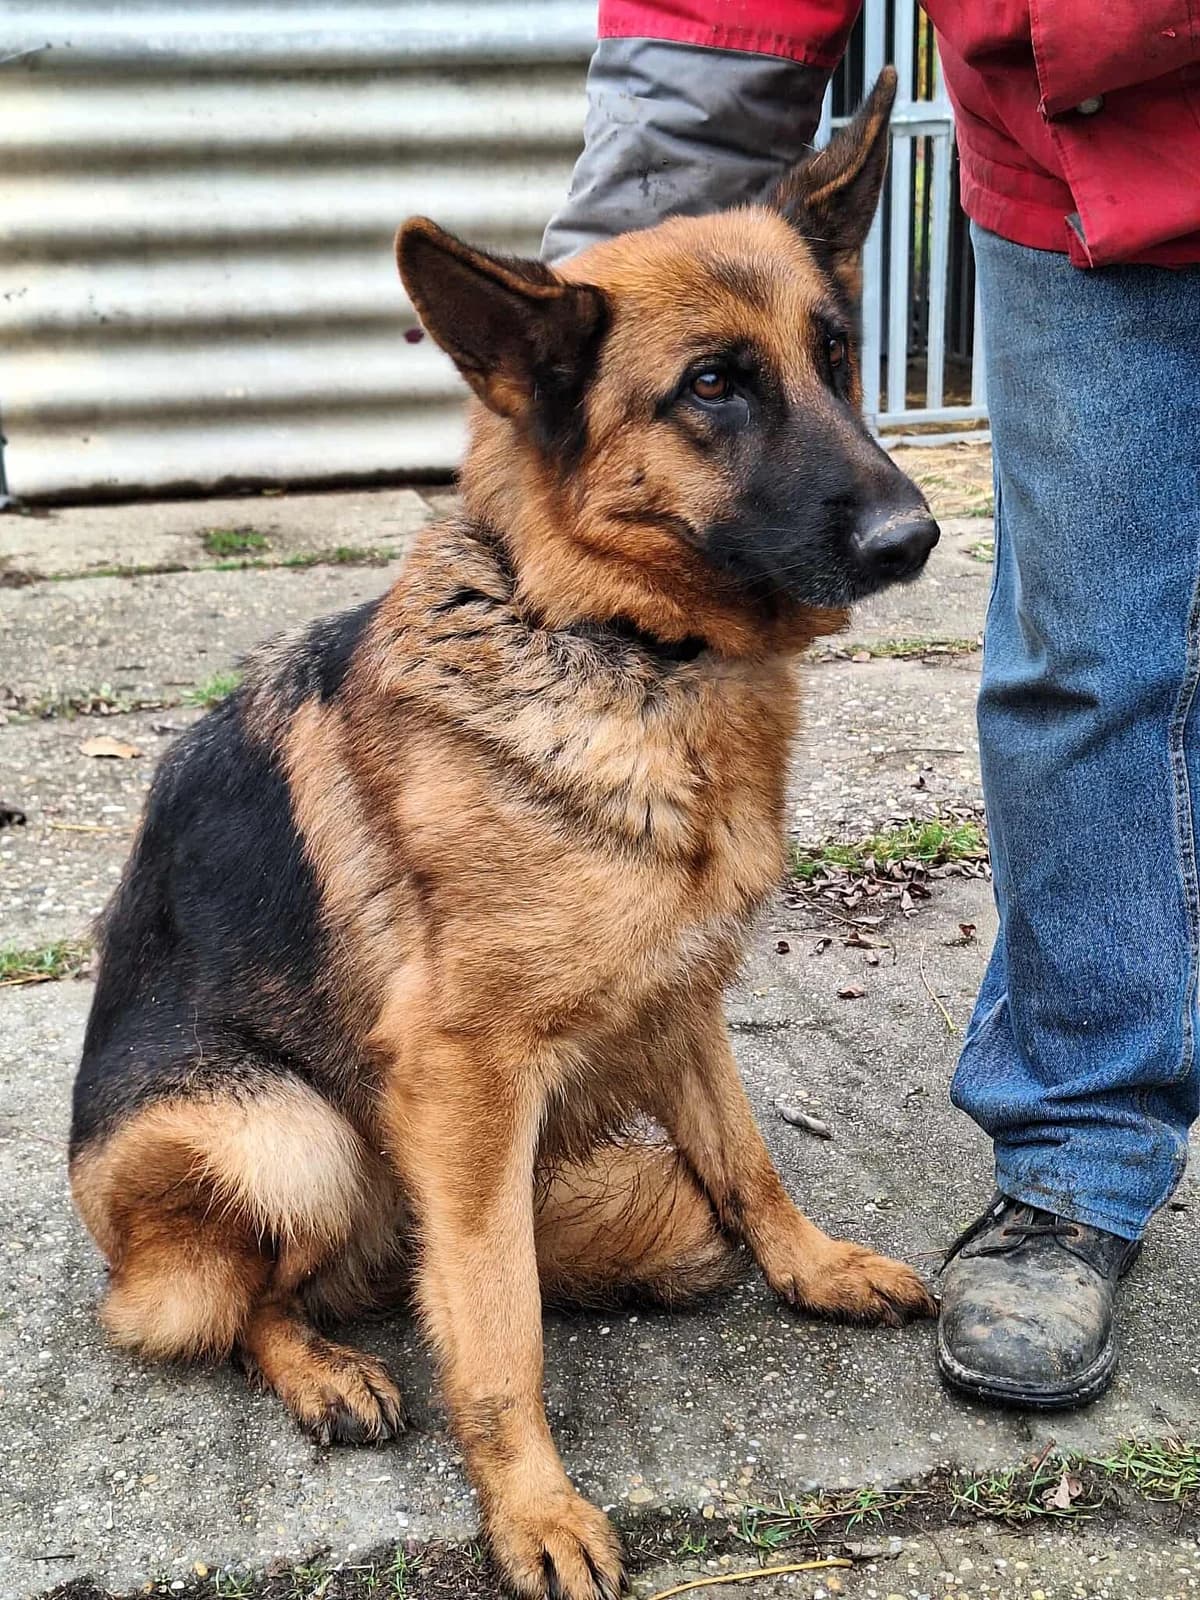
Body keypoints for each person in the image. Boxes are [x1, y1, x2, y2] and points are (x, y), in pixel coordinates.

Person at [543, 1, 1200, 1410]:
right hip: (1091, 176)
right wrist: (576, 343)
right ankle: (1082, 1162)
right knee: (1088, 669)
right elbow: (717, 19)